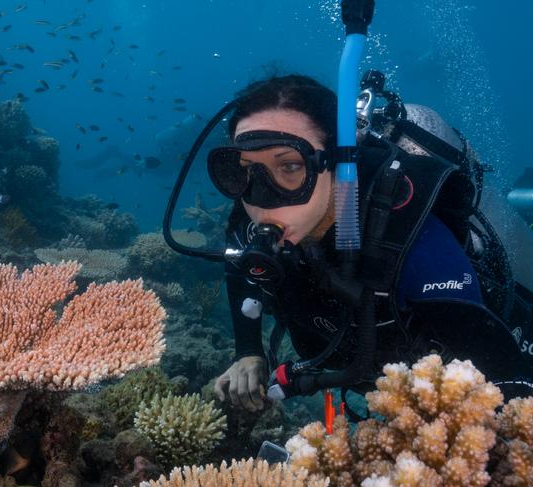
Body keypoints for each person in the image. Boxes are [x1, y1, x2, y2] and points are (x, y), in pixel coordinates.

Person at [208, 74, 533, 413]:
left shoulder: (403, 234)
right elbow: (242, 270)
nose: (261, 198)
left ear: (338, 163)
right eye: (245, 170)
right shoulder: (249, 219)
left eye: (289, 165)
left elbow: (506, 378)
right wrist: (248, 351)